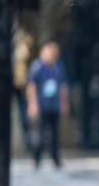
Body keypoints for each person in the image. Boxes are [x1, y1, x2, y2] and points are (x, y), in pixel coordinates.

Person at [27, 41, 70, 169]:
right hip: (42, 106)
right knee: (40, 135)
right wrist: (33, 104)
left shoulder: (58, 67)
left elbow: (63, 86)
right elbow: (31, 86)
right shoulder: (37, 67)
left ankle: (56, 159)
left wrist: (64, 103)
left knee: (55, 135)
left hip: (54, 106)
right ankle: (36, 159)